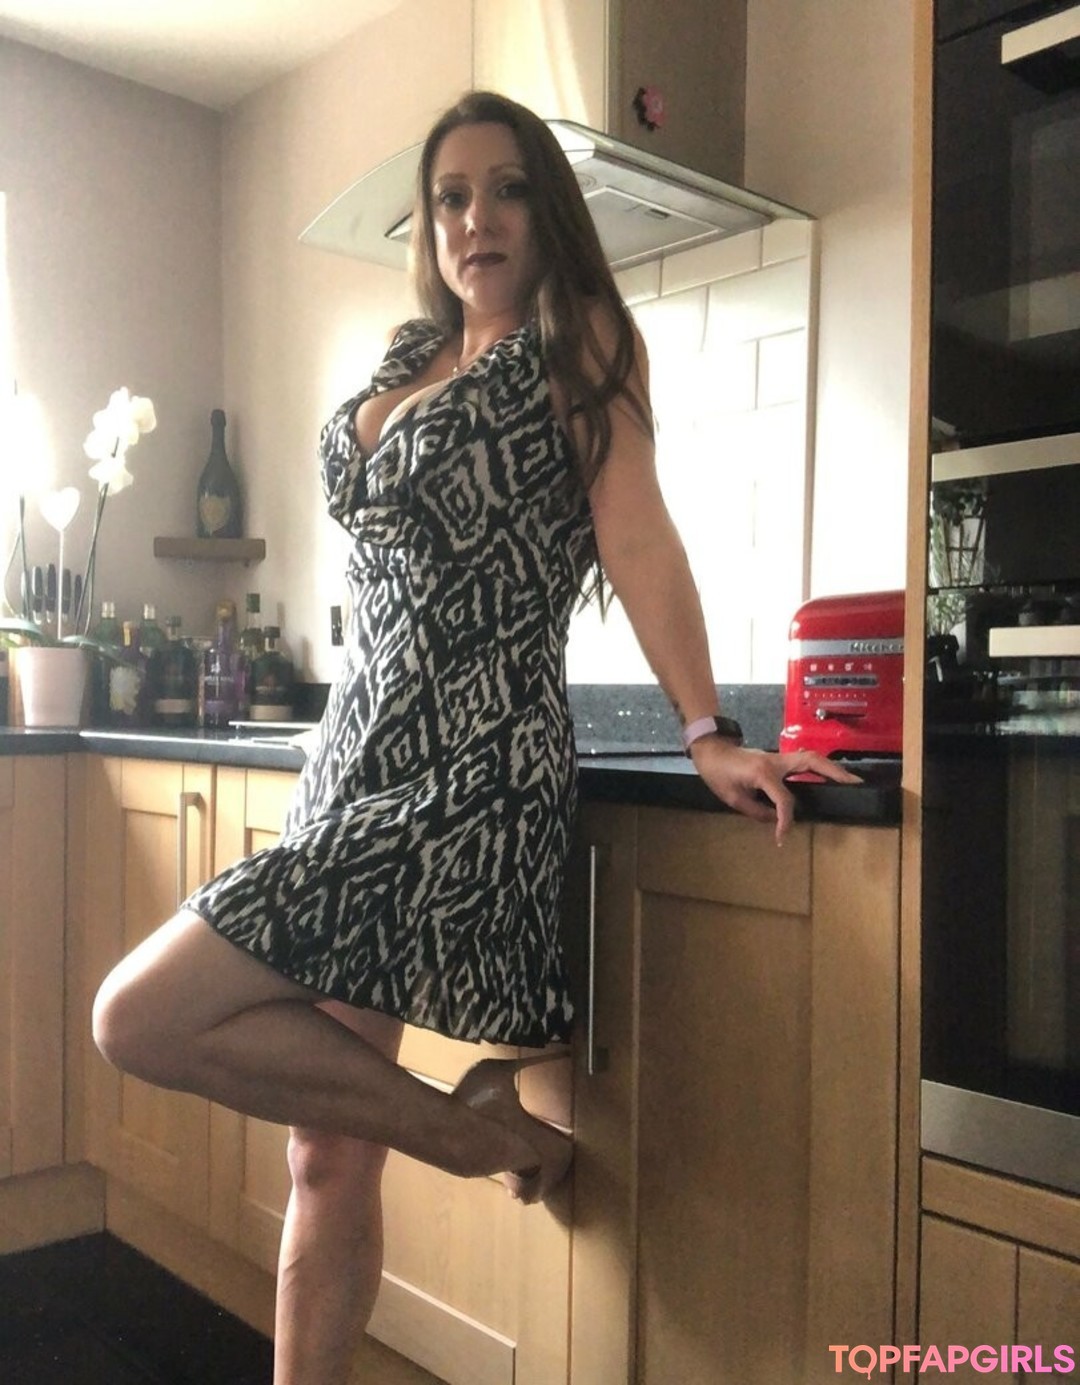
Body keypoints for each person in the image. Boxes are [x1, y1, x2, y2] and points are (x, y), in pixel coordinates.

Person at [92, 90, 858, 1385]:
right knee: (324, 1151)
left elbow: (637, 535)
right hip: (352, 758)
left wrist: (707, 730)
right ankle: (485, 1129)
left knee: (136, 1015)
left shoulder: (577, 342)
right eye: (450, 197)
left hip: (469, 763)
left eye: (504, 190)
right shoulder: (410, 355)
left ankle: (475, 1134)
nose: (475, 219)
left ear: (545, 211)